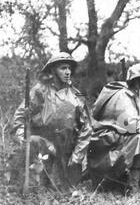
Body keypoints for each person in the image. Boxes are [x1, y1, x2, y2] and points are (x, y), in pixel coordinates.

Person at [10, 52, 92, 191]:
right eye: (63, 68)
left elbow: (87, 128)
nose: (67, 72)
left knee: (64, 189)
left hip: (67, 150)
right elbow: (20, 117)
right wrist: (21, 135)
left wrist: (77, 155)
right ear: (53, 70)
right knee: (37, 185)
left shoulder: (77, 95)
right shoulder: (40, 90)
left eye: (69, 68)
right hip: (43, 146)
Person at [88, 63, 140, 194]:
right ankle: (132, 186)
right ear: (137, 80)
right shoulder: (124, 95)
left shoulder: (138, 95)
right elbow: (131, 123)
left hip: (118, 140)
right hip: (107, 144)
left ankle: (135, 180)